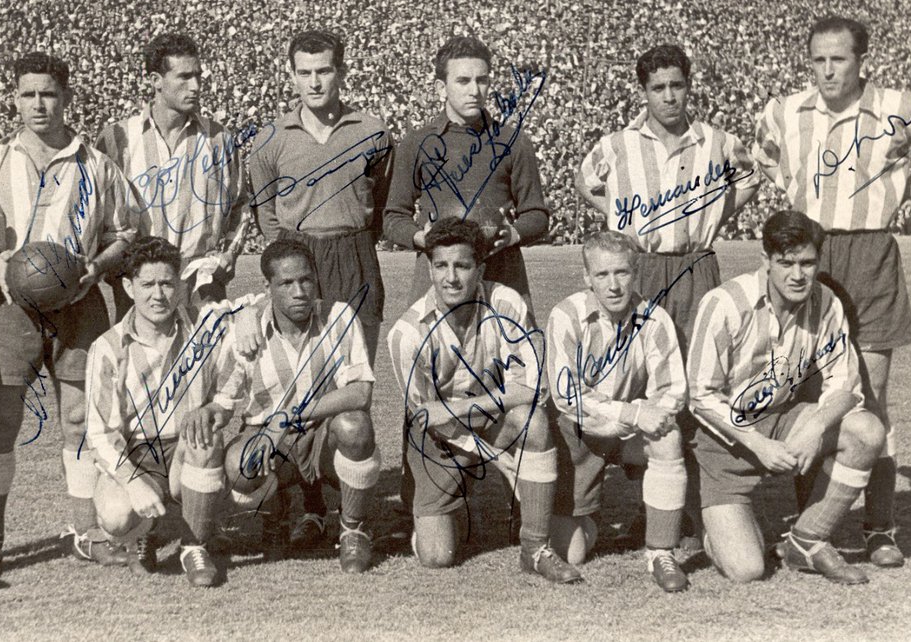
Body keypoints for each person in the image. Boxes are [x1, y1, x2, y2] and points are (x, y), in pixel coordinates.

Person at [753, 16, 911, 567]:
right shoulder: (784, 110)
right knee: (807, 388)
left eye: (838, 59)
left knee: (871, 394)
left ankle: (879, 527)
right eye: (818, 59)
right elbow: (765, 160)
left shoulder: (900, 105)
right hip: (811, 254)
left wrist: (897, 190)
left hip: (870, 254)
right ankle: (811, 522)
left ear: (860, 60)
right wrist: (800, 198)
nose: (827, 70)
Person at [0, 52, 136, 574]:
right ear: (15, 99)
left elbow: (126, 231)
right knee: (0, 424)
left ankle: (86, 532)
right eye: (28, 94)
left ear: (66, 97)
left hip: (79, 304)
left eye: (49, 94)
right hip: (8, 308)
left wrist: (98, 264)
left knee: (81, 420)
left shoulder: (96, 164)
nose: (39, 104)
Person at [246, 29, 393, 549]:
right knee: (293, 385)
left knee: (351, 390)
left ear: (341, 71)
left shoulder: (372, 131)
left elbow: (380, 200)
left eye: (324, 70)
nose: (314, 80)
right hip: (298, 254)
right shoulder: (270, 139)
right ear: (291, 75)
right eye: (304, 71)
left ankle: (352, 517)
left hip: (354, 257)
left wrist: (349, 239)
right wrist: (292, 254)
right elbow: (265, 214)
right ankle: (305, 508)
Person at [688, 210, 885, 585]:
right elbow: (700, 396)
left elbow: (845, 384)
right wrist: (756, 443)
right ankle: (703, 515)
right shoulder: (725, 303)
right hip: (723, 438)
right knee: (747, 569)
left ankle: (807, 539)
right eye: (787, 263)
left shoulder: (825, 302)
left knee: (867, 431)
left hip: (781, 418)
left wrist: (815, 427)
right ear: (765, 261)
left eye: (808, 263)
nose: (798, 275)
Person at [387, 218, 579, 584]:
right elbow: (429, 419)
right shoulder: (406, 333)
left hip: (493, 418)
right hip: (441, 441)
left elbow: (531, 389)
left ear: (481, 268)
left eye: (462, 266)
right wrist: (499, 460)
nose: (451, 278)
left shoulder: (506, 303)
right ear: (429, 269)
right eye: (441, 266)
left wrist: (460, 406)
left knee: (533, 421)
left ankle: (535, 548)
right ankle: (449, 509)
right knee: (437, 557)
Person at [84, 236, 257, 587]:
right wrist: (132, 483)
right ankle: (143, 532)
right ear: (129, 287)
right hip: (136, 452)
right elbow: (100, 434)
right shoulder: (107, 347)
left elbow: (258, 305)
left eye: (167, 283)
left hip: (184, 449)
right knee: (117, 516)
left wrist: (249, 314)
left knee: (204, 435)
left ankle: (194, 546)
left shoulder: (204, 328)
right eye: (148, 284)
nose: (158, 295)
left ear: (180, 283)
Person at [575, 44, 758, 353]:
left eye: (677, 85)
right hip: (641, 265)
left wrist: (715, 216)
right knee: (636, 357)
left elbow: (750, 179)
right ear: (644, 92)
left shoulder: (717, 142)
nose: (669, 96)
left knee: (698, 358)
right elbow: (584, 181)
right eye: (658, 88)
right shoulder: (618, 144)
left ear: (689, 86)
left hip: (695, 266)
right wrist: (618, 217)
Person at [215, 239, 381, 575]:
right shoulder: (246, 331)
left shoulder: (339, 316)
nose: (299, 291)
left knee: (355, 425)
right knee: (239, 464)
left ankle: (352, 529)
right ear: (268, 287)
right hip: (271, 443)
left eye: (306, 280)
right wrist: (211, 414)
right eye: (286, 283)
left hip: (323, 437)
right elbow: (225, 399)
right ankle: (275, 518)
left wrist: (290, 415)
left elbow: (361, 393)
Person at [544, 232, 690, 592]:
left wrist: (638, 415)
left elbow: (672, 392)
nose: (613, 285)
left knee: (668, 436)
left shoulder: (654, 319)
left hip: (627, 434)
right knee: (573, 550)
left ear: (636, 272)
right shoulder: (566, 315)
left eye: (622, 273)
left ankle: (661, 551)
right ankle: (579, 513)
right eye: (602, 275)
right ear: (586, 277)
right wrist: (631, 412)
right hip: (579, 434)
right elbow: (567, 395)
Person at [384, 36, 550, 315]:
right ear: (441, 87)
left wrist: (512, 234)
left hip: (501, 276)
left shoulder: (513, 141)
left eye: (482, 80)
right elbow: (392, 217)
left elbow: (537, 215)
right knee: (434, 356)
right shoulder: (417, 143)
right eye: (463, 81)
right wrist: (420, 238)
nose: (475, 90)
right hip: (437, 278)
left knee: (511, 356)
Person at [95, 32, 250, 316]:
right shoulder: (116, 140)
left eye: (198, 76)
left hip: (202, 285)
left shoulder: (219, 139)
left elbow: (241, 205)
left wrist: (229, 253)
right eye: (184, 77)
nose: (196, 86)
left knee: (206, 361)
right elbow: (102, 215)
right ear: (156, 81)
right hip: (140, 285)